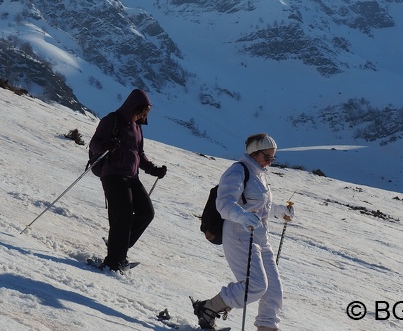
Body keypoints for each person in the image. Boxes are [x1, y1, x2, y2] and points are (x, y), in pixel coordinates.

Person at [192, 133, 295, 331]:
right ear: (254, 153)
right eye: (267, 157)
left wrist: (281, 211)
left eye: (273, 158)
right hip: (239, 235)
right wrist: (242, 216)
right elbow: (224, 203)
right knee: (255, 285)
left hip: (260, 237)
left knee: (273, 289)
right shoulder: (237, 171)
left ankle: (267, 327)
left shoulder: (260, 175)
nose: (270, 162)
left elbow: (260, 208)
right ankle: (208, 308)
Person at [90, 89, 167, 272]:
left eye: (145, 113)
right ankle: (113, 261)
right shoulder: (112, 120)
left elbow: (139, 154)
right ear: (132, 107)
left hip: (132, 176)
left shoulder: (137, 127)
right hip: (113, 174)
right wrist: (106, 146)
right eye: (141, 111)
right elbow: (94, 143)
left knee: (147, 213)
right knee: (123, 215)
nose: (142, 115)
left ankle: (118, 246)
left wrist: (153, 169)